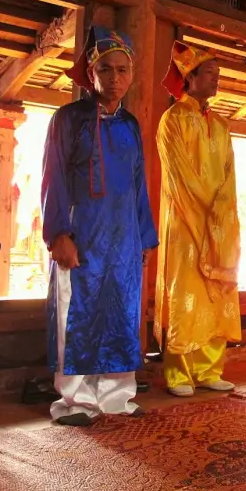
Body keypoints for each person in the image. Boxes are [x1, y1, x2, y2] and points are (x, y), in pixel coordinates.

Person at [41, 27, 158, 426]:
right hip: (82, 233)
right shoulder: (68, 120)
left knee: (122, 313)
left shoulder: (130, 125)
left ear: (131, 74)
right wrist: (59, 233)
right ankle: (74, 401)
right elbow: (52, 177)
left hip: (124, 237)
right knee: (79, 313)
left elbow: (139, 183)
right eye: (105, 69)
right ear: (90, 72)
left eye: (122, 70)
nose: (114, 78)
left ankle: (116, 397)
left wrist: (143, 236)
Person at [154, 42, 241, 397]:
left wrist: (222, 213)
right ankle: (179, 373)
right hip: (186, 223)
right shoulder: (172, 119)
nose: (216, 80)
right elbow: (178, 175)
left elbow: (229, 174)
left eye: (218, 75)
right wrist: (207, 213)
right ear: (189, 78)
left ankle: (209, 368)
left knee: (214, 293)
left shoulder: (220, 124)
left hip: (218, 222)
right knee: (185, 291)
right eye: (210, 73)